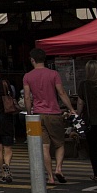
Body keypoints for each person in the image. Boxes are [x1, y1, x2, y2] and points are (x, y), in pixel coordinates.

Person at [22, 47, 77, 185]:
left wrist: (29, 114)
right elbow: (61, 93)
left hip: (38, 115)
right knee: (59, 144)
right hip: (54, 113)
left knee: (44, 147)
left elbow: (27, 97)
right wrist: (71, 109)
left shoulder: (27, 76)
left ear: (32, 60)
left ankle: (50, 176)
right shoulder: (54, 74)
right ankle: (59, 168)